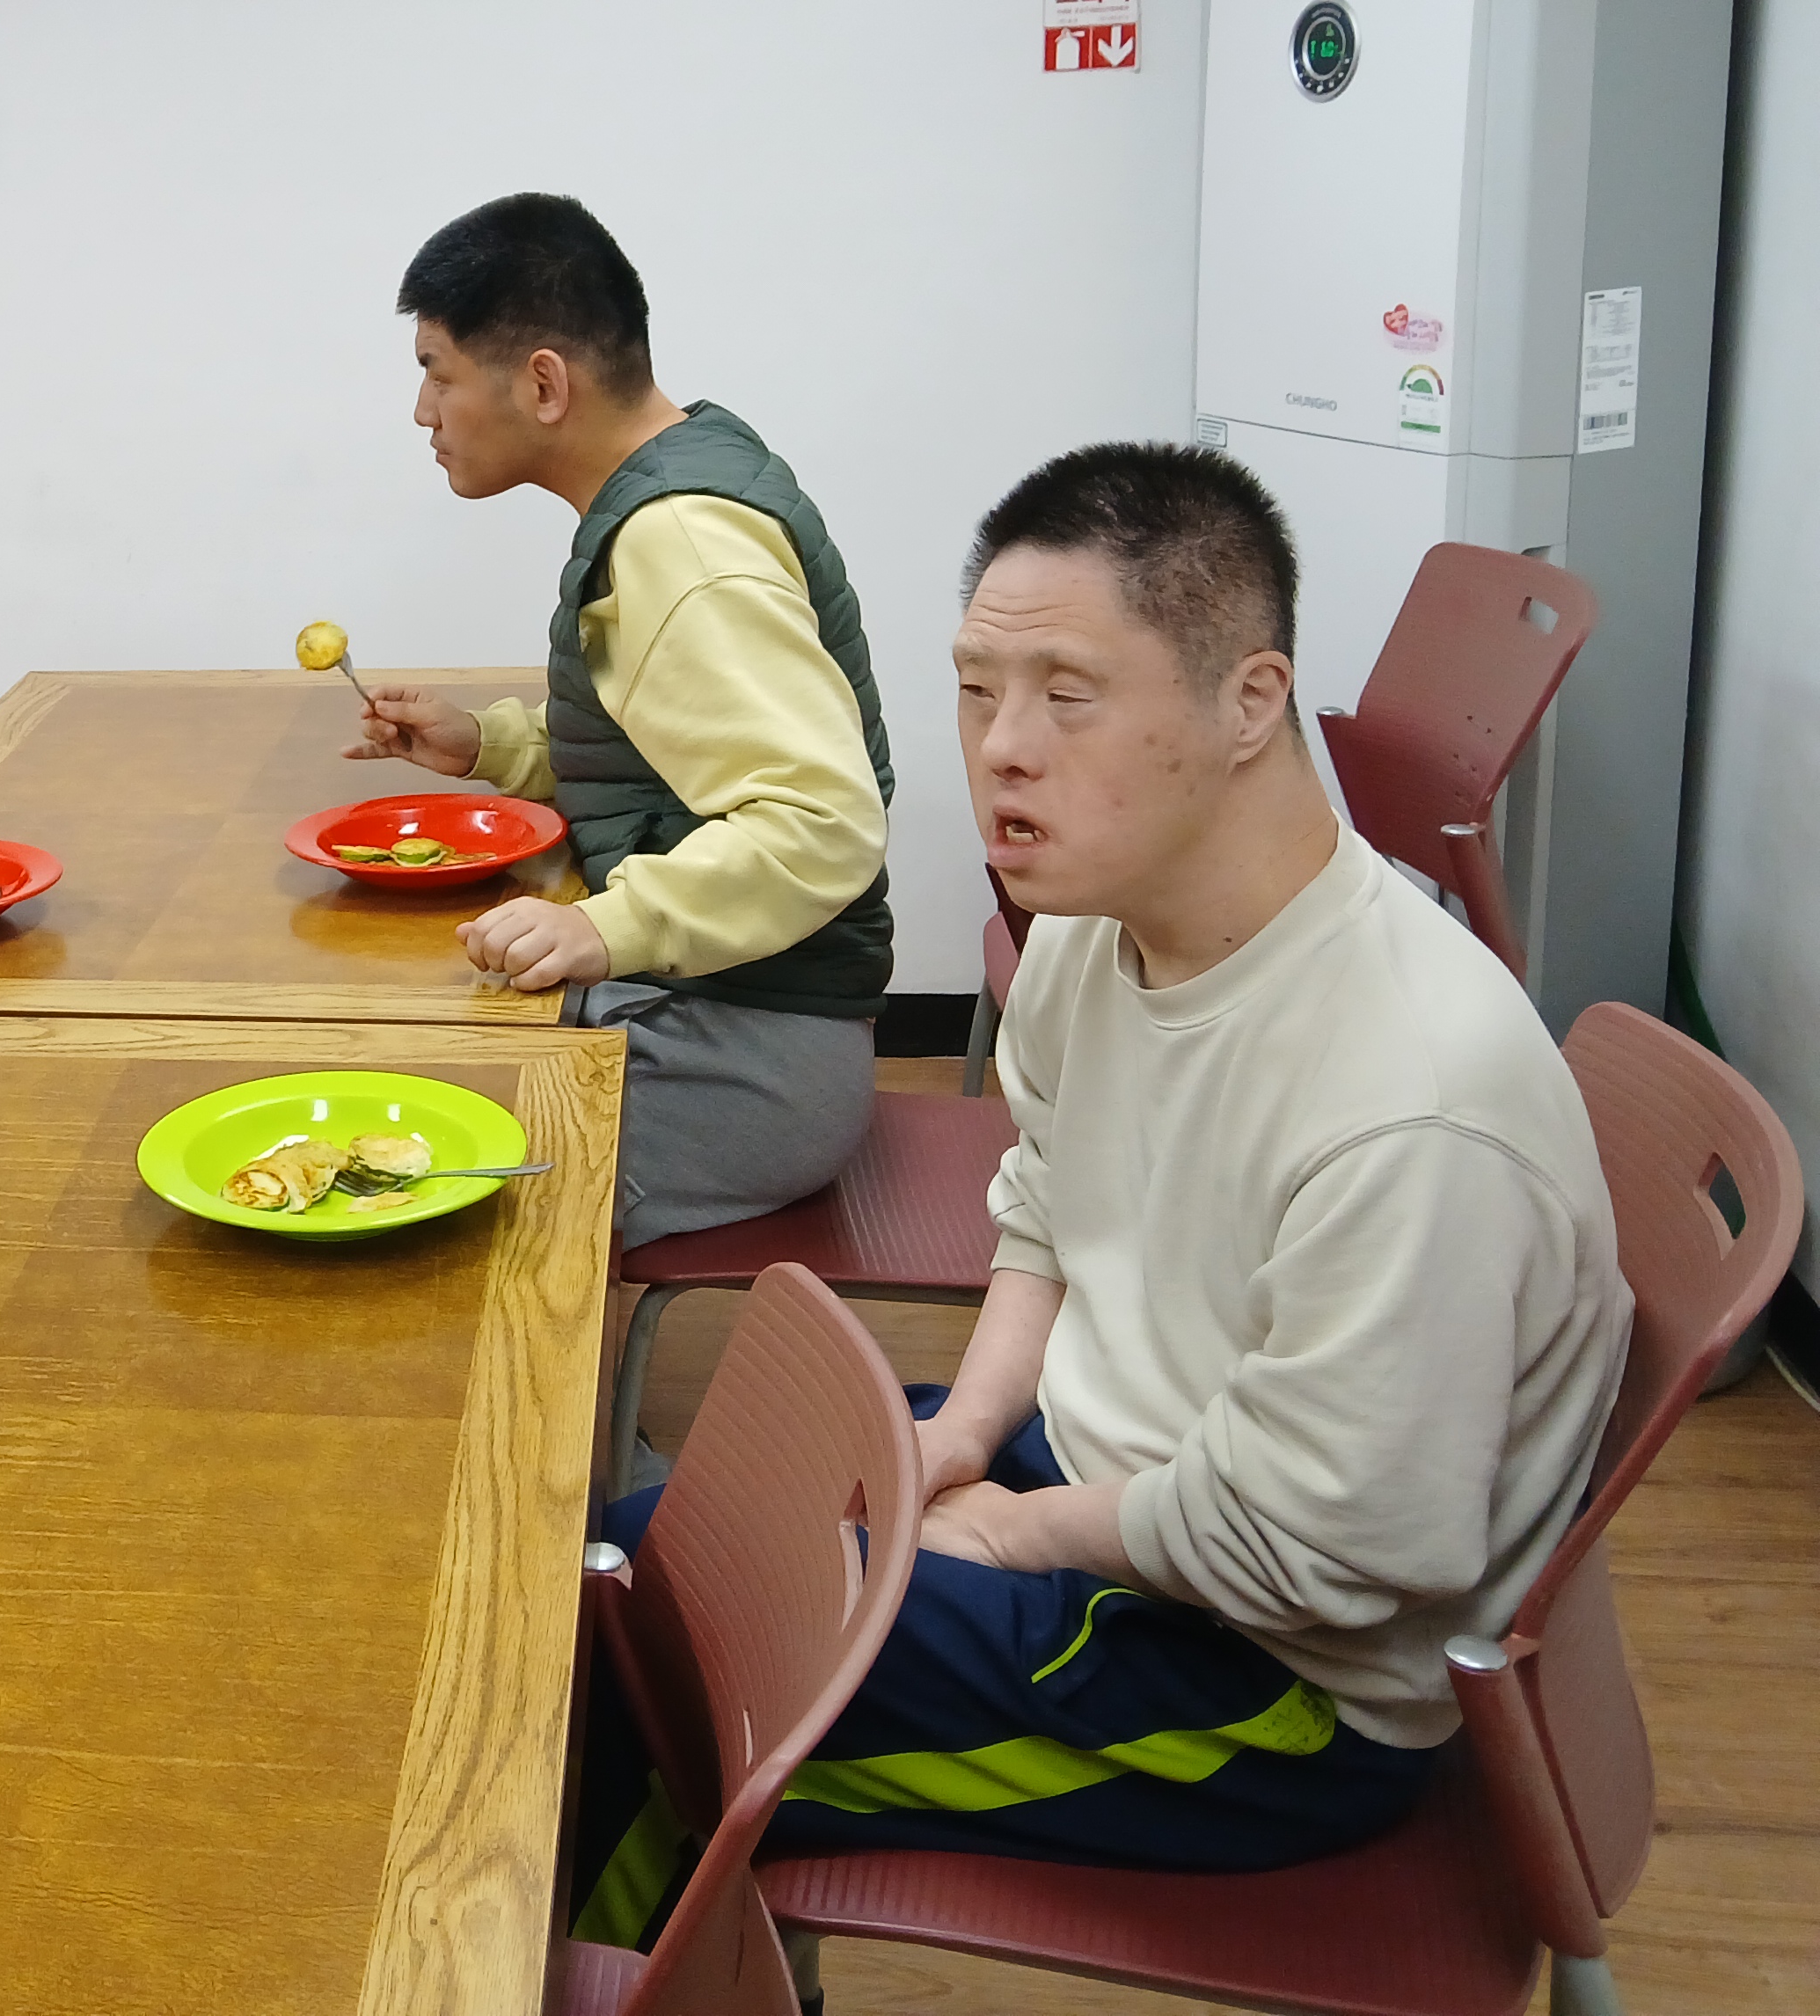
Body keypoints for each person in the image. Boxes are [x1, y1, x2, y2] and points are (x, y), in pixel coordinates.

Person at [570, 442, 1631, 1941]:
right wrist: (972, 1431)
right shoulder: (1095, 916)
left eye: (1068, 695)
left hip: (1270, 1679)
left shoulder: (1415, 1103)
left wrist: (1017, 1534)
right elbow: (1050, 1199)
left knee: (648, 1695)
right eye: (976, 689)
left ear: (1250, 703)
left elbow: (1329, 1549)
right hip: (1098, 1477)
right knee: (629, 1555)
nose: (1002, 750)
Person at [347, 193, 895, 1245]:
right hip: (730, 1015)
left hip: (745, 1059)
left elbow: (821, 823)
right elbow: (675, 750)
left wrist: (602, 926)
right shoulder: (681, 483)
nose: (422, 411)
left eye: (439, 373)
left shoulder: (680, 545)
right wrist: (493, 746)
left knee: (413, 1195)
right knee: (414, 1073)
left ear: (544, 383)